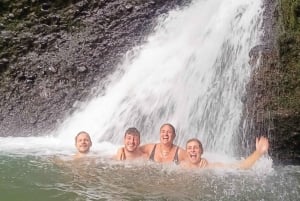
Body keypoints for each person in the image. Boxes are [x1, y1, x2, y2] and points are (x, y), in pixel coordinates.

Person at [181, 136, 269, 169]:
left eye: (195, 148)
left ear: (201, 151)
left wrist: (258, 153)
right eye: (189, 148)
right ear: (186, 152)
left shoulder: (211, 167)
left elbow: (240, 166)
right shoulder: (181, 166)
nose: (192, 150)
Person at [140, 123, 207, 166]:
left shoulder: (179, 153)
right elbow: (134, 150)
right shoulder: (150, 148)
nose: (165, 134)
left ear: (174, 136)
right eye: (163, 132)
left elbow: (194, 159)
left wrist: (202, 161)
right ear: (160, 134)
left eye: (169, 132)